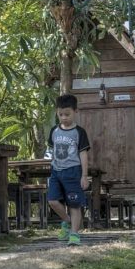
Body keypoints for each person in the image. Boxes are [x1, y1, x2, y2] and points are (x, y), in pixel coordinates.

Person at [46, 94, 90, 246]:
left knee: (74, 204)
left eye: (67, 114)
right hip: (56, 171)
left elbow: (83, 154)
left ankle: (74, 234)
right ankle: (67, 221)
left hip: (73, 171)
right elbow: (51, 151)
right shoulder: (54, 131)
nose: (64, 117)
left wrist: (84, 176)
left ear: (75, 111)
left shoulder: (79, 132)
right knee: (52, 200)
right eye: (60, 114)